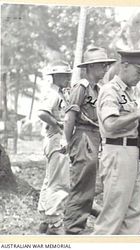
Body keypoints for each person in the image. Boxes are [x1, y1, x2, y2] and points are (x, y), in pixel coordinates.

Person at [93, 50, 140, 235]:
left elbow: (126, 122)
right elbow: (110, 124)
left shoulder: (128, 93)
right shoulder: (110, 91)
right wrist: (137, 113)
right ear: (125, 66)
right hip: (117, 152)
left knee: (133, 213)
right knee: (113, 214)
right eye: (139, 72)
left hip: (130, 152)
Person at [63, 46, 116, 235]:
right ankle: (73, 228)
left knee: (89, 184)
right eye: (101, 65)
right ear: (90, 67)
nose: (105, 69)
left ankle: (78, 224)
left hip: (94, 136)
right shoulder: (81, 87)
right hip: (83, 135)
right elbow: (70, 116)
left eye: (105, 65)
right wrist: (66, 141)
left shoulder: (98, 89)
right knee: (81, 183)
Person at [37, 61, 72, 235]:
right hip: (56, 138)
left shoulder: (58, 93)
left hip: (53, 138)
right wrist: (58, 124)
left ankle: (45, 218)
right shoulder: (53, 94)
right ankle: (55, 222)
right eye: (65, 75)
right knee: (59, 182)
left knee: (50, 179)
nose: (68, 78)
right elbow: (42, 113)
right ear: (56, 76)